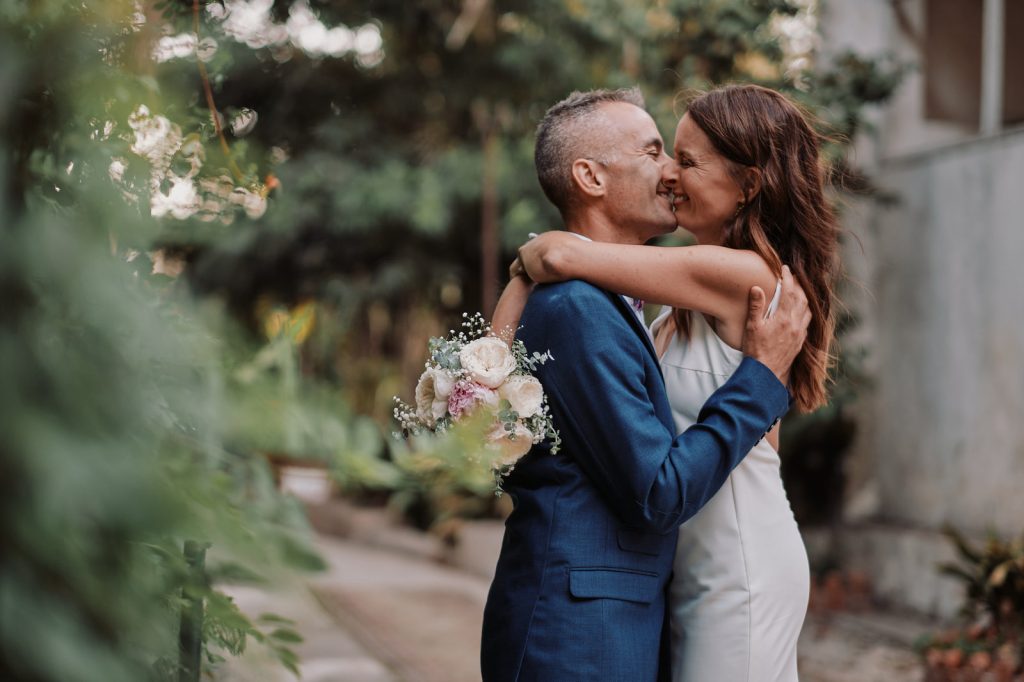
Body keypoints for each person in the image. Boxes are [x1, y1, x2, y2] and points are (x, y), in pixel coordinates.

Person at [480, 86, 812, 681]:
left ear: (748, 185)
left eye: (685, 159)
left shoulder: (746, 277)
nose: (670, 174)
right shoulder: (669, 306)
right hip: (684, 565)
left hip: (735, 558)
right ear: (591, 176)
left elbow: (557, 258)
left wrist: (537, 259)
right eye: (659, 154)